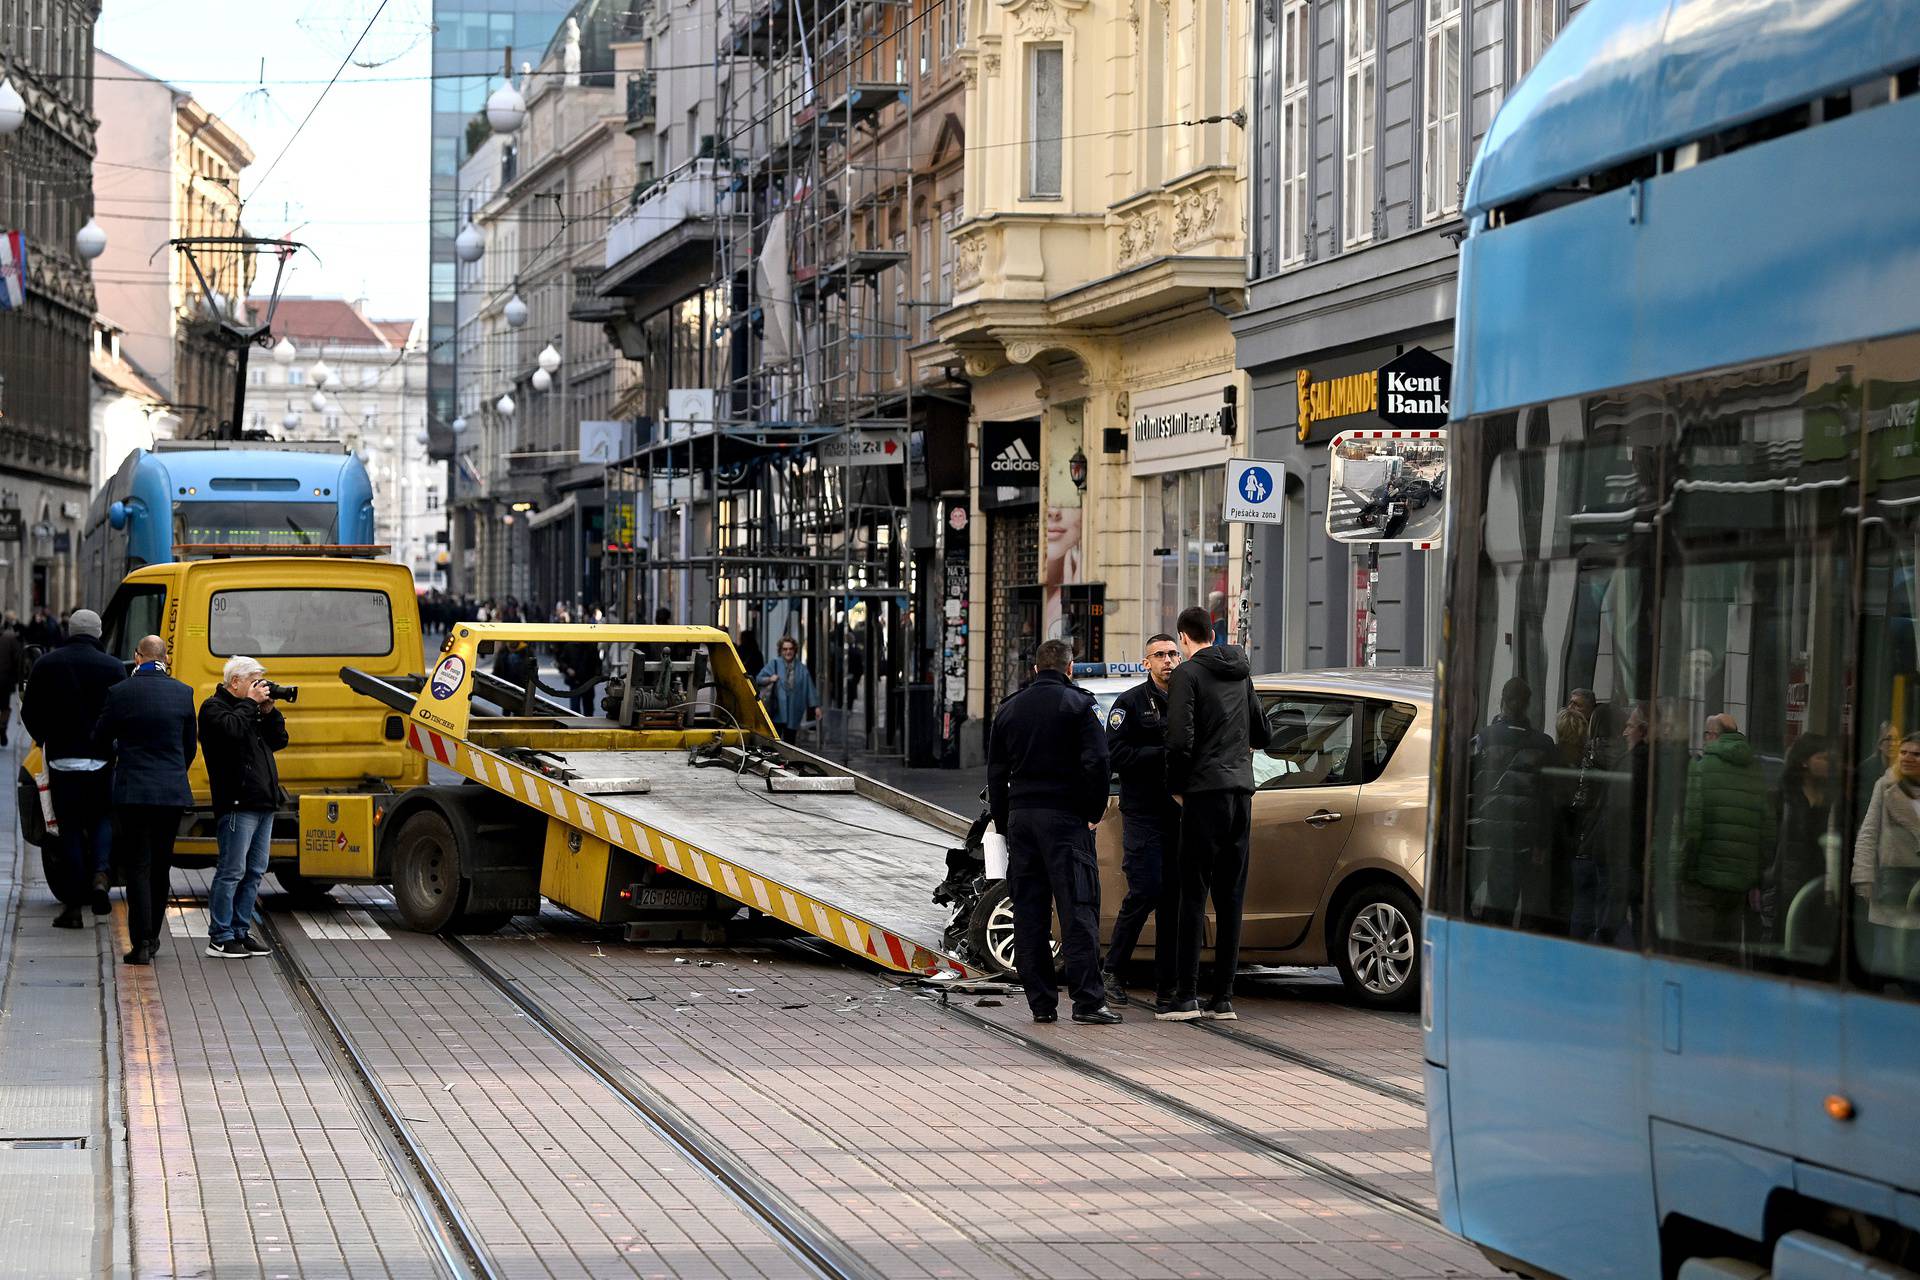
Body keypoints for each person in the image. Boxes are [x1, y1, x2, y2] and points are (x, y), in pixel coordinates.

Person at [987, 638, 1120, 1025]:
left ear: (1034, 669)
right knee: (1077, 909)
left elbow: (995, 773)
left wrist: (1003, 821)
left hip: (1022, 819)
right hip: (1065, 819)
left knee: (1029, 914)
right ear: (1070, 668)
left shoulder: (1009, 709)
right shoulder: (1079, 705)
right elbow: (1098, 762)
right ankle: (1088, 1003)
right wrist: (1092, 811)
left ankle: (1041, 1005)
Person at [1158, 605, 1270, 1022]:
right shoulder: (1241, 671)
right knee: (1231, 896)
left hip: (1204, 793)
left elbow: (1179, 740)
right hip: (1241, 792)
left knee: (1192, 893)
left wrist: (1177, 786)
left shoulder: (1187, 674)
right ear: (1213, 633)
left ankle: (1186, 996)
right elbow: (1263, 733)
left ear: (1184, 639)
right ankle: (1223, 998)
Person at [92, 636, 196, 966]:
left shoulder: (121, 693)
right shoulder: (183, 693)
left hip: (133, 791)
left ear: (138, 657)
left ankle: (140, 943)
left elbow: (100, 739)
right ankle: (154, 936)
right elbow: (189, 746)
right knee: (162, 864)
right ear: (165, 658)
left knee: (138, 864)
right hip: (170, 792)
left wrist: (121, 756)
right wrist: (173, 771)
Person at [20, 608, 124, 926]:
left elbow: (29, 711)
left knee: (69, 829)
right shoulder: (113, 666)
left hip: (62, 760)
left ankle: (74, 908)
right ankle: (101, 875)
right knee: (101, 817)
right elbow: (121, 712)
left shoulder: (47, 664)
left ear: (69, 630)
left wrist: (45, 739)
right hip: (101, 759)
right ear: (97, 632)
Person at [1101, 633, 1182, 1011]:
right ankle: (1112, 971)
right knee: (1146, 890)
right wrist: (1162, 753)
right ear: (1146, 662)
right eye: (1160, 655)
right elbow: (1115, 754)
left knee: (1174, 900)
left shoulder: (1189, 698)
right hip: (1144, 812)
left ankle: (1169, 985)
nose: (1168, 660)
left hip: (1181, 813)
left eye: (1173, 654)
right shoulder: (1130, 703)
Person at [199, 656, 289, 959]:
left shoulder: (250, 711)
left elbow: (279, 740)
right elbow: (231, 732)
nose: (260, 686)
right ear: (235, 682)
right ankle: (220, 937)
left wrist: (269, 710)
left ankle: (240, 930)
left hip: (263, 802)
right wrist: (250, 705)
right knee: (231, 870)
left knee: (254, 871)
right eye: (254, 680)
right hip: (237, 803)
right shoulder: (214, 708)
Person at [1465, 677, 1557, 928]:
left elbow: (1468, 784)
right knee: (1526, 906)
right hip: (1526, 839)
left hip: (1488, 835)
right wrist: (1541, 842)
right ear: (1528, 705)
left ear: (1502, 702)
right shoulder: (1544, 744)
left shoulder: (1484, 738)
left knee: (1494, 905)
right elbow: (1548, 798)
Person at [1674, 713, 1770, 950]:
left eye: (1706, 735)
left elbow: (1691, 827)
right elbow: (1768, 829)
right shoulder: (1756, 772)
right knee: (1726, 952)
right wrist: (1756, 874)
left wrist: (1683, 869)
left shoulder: (1700, 768)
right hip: (1739, 882)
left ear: (1712, 736)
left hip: (1703, 880)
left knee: (1698, 951)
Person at [1851, 731, 1920, 978]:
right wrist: (1864, 877)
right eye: (1904, 752)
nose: (1908, 758)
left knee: (1914, 963)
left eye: (1916, 754)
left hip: (1918, 888)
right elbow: (1868, 833)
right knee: (1886, 959)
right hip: (1892, 884)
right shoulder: (1885, 785)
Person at [1766, 733, 1834, 944]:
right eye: (1821, 758)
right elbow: (1771, 841)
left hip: (1822, 887)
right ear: (1804, 761)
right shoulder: (1785, 797)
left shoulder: (1833, 799)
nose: (1827, 765)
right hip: (1789, 887)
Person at [757, 637, 820, 739]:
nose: (788, 651)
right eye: (785, 649)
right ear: (781, 651)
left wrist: (816, 707)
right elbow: (759, 679)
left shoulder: (802, 669)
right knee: (775, 741)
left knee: (790, 741)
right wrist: (769, 679)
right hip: (776, 711)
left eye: (791, 649)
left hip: (794, 712)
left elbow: (810, 688)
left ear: (795, 650)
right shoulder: (774, 664)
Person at [0, 610, 23, 746]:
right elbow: (18, 658)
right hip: (4, 679)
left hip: (5, 678)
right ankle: (2, 727)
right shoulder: (10, 637)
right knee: (4, 707)